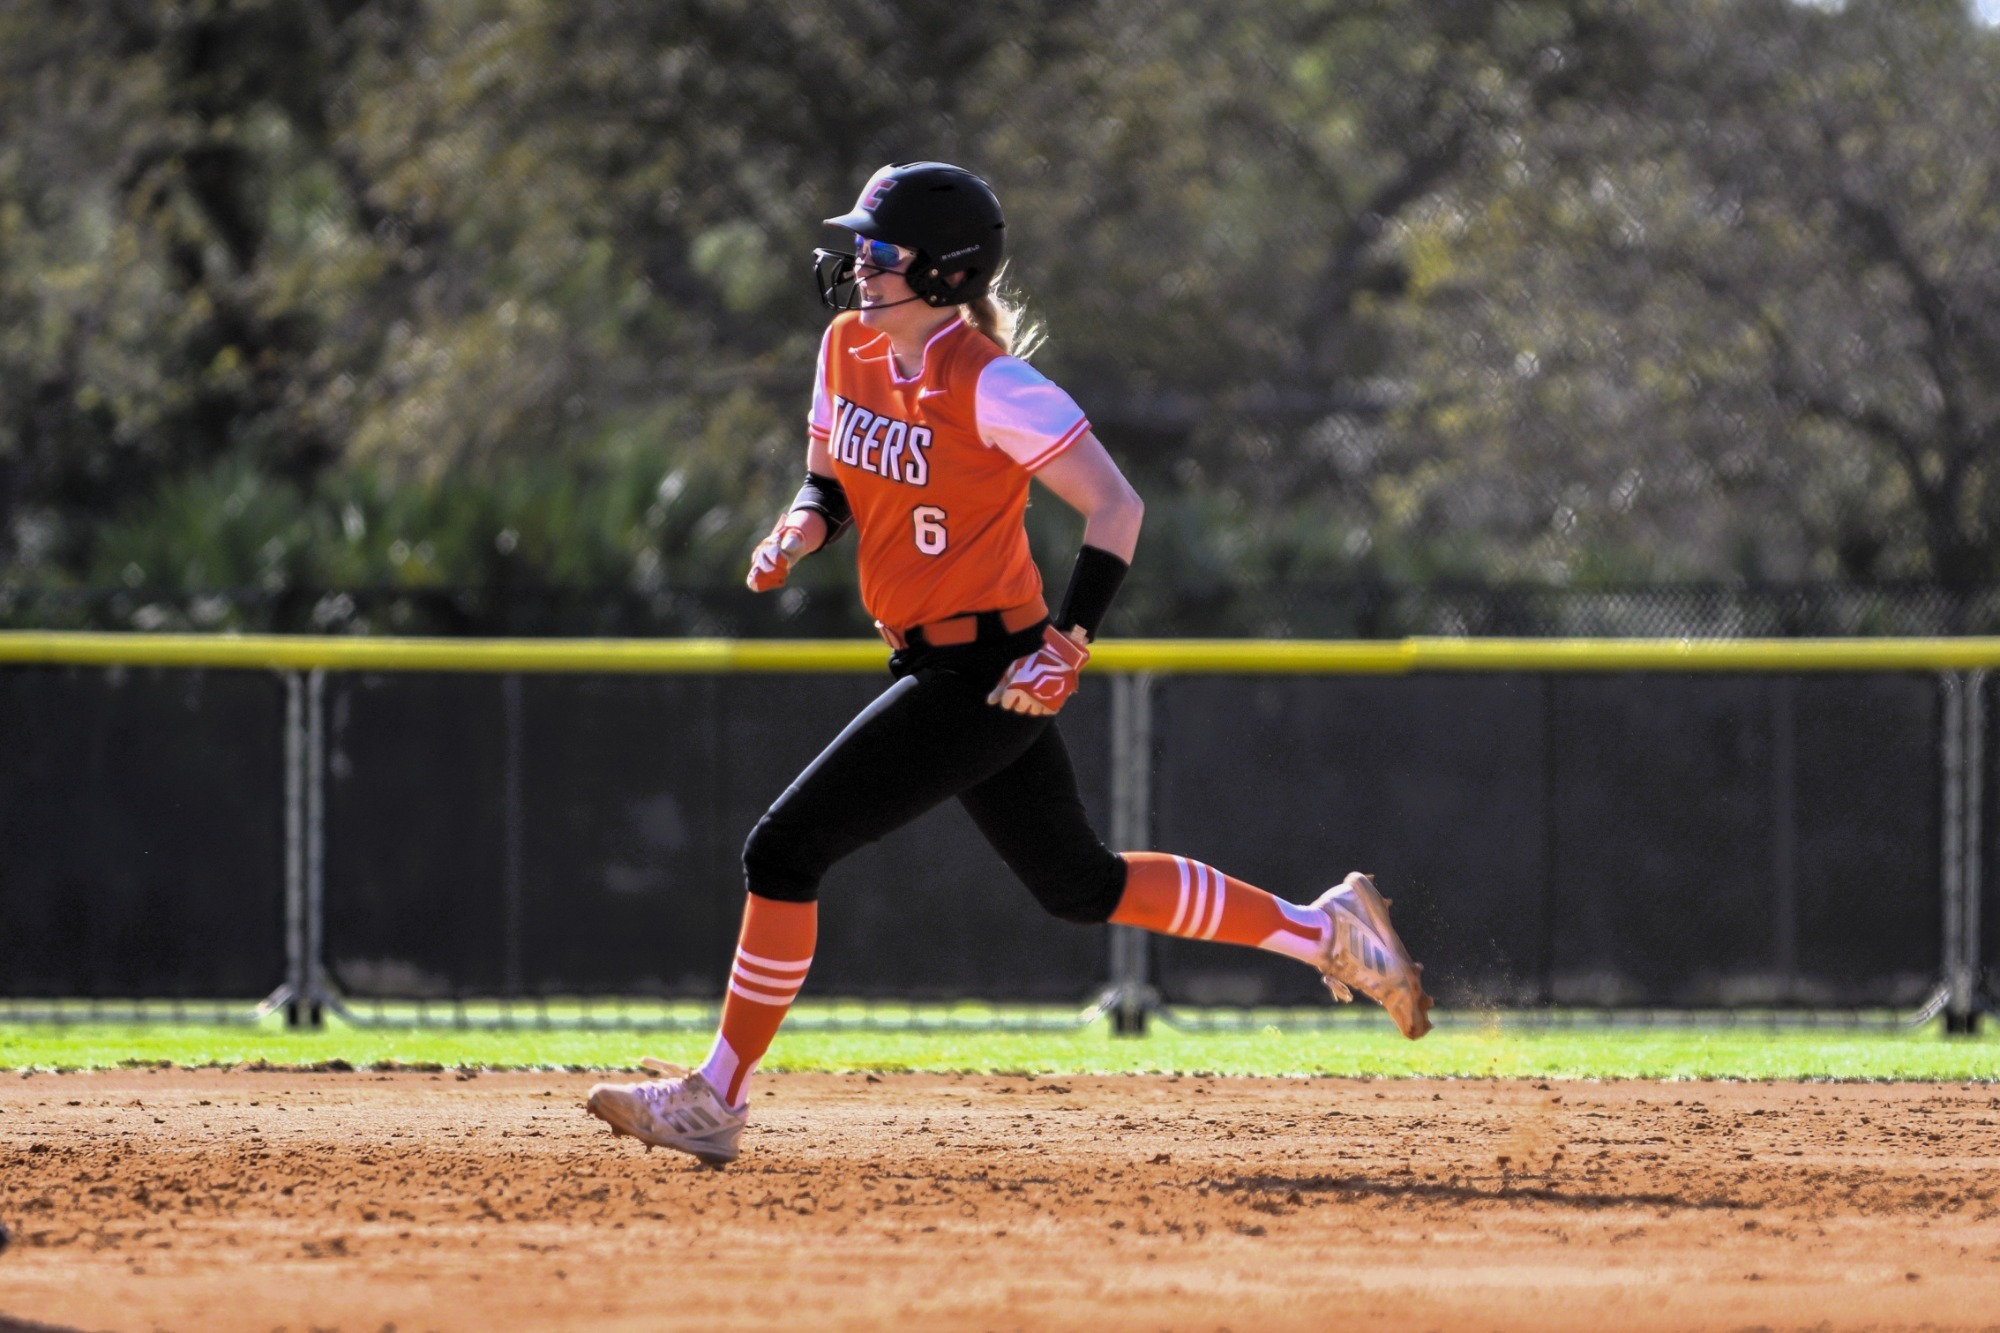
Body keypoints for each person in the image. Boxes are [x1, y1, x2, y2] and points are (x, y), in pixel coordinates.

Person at [586, 162, 1431, 1164]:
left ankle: (714, 1094)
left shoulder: (991, 382)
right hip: (925, 660)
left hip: (983, 669)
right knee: (1079, 883)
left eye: (880, 252)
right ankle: (1324, 932)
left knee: (783, 849)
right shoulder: (845, 346)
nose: (858, 266)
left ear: (943, 274)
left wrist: (1065, 646)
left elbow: (1116, 507)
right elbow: (833, 473)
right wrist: (801, 525)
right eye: (856, 247)